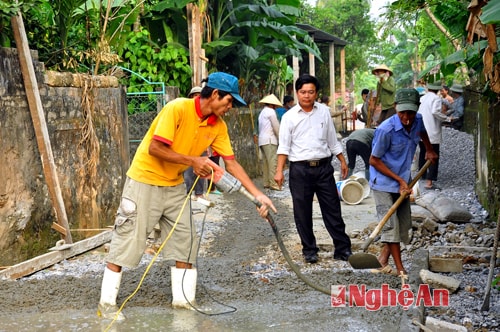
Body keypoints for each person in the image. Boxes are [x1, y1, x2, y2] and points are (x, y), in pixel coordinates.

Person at [97, 72, 277, 320]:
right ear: (215, 95)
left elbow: (231, 164)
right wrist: (193, 160)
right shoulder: (177, 108)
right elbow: (155, 148)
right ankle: (107, 304)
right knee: (128, 241)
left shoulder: (218, 126)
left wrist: (259, 195)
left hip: (174, 186)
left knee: (186, 243)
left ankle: (183, 303)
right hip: (144, 181)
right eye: (228, 102)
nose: (230, 108)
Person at [274, 74, 352, 264]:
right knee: (302, 212)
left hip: (324, 168)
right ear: (297, 93)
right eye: (302, 92)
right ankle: (309, 250)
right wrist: (279, 171)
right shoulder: (289, 117)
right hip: (299, 170)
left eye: (310, 92)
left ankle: (342, 249)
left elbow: (332, 139)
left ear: (316, 93)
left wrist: (342, 160)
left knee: (333, 208)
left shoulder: (324, 111)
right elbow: (284, 146)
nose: (306, 96)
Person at [369, 88, 437, 276]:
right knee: (390, 225)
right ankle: (400, 268)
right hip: (383, 182)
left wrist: (429, 149)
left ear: (417, 109)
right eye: (402, 112)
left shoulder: (418, 120)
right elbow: (373, 160)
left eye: (410, 112)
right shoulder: (386, 129)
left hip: (403, 181)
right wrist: (399, 180)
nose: (406, 117)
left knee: (404, 224)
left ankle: (382, 260)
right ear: (396, 107)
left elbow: (422, 133)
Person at [417, 82, 451, 190]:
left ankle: (422, 175)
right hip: (432, 131)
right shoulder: (436, 99)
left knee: (423, 152)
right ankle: (429, 181)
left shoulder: (422, 98)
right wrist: (447, 119)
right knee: (433, 155)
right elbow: (435, 112)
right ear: (437, 90)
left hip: (421, 130)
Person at [183, 86, 205, 200]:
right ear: (191, 97)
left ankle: (199, 193)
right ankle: (187, 194)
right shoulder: (185, 111)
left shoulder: (205, 113)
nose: (197, 97)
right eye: (195, 95)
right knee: (187, 173)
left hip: (201, 146)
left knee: (201, 172)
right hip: (188, 148)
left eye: (199, 95)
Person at [257, 94, 282, 191]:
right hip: (270, 140)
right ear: (273, 104)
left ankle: (266, 182)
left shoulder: (262, 112)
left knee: (266, 162)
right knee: (272, 162)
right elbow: (276, 127)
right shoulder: (271, 112)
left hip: (262, 140)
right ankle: (273, 183)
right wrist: (281, 139)